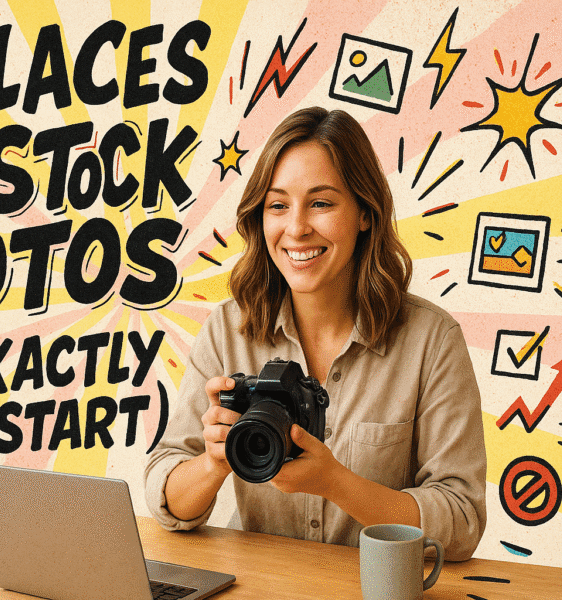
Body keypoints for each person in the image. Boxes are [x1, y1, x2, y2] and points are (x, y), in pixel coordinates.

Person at [144, 107, 486, 560]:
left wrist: (336, 484)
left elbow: (461, 522)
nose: (297, 228)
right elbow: (165, 496)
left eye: (321, 203)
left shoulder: (431, 341)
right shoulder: (229, 329)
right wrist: (212, 461)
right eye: (278, 205)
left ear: (365, 213)